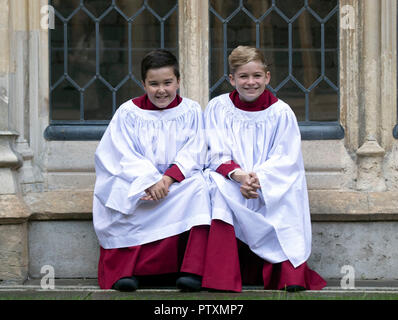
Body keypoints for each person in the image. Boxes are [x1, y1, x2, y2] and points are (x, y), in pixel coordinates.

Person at [201, 45, 327, 292]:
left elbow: (286, 159)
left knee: (288, 197)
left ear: (267, 77)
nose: (251, 82)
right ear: (231, 79)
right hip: (232, 177)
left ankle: (287, 275)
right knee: (217, 190)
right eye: (243, 76)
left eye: (257, 76)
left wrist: (256, 180)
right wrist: (239, 176)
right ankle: (223, 277)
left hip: (268, 183)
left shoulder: (281, 113)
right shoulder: (218, 107)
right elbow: (215, 151)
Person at [92, 49, 211, 292]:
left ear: (178, 81)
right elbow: (118, 154)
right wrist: (148, 180)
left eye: (168, 83)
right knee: (122, 196)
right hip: (139, 183)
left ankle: (191, 271)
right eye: (153, 83)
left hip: (175, 182)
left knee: (199, 187)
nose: (161, 90)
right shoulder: (128, 112)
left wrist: (167, 179)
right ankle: (128, 272)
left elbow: (196, 150)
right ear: (143, 83)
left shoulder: (191, 111)